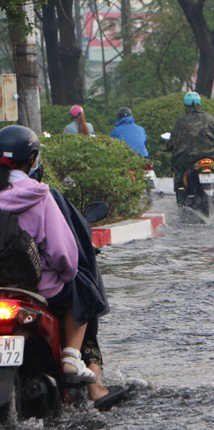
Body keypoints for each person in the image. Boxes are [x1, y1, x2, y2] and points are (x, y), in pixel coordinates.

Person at [28, 157, 128, 410]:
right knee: (84, 293)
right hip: (42, 290)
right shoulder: (45, 196)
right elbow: (64, 252)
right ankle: (95, 387)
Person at [0, 125, 96, 384]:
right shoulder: (39, 194)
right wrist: (67, 274)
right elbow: (63, 255)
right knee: (81, 284)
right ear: (32, 159)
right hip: (37, 289)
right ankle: (71, 358)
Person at [167, 92, 214, 193]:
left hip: (185, 158)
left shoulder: (180, 120)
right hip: (208, 156)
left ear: (185, 105)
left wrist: (169, 146)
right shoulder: (209, 118)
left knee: (178, 171)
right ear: (199, 104)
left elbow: (172, 140)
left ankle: (181, 192)